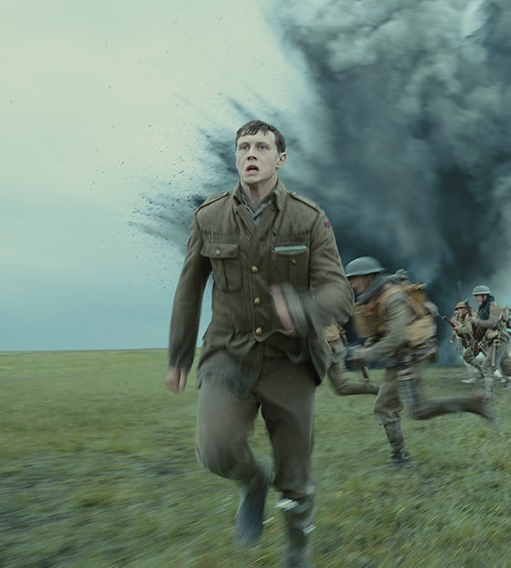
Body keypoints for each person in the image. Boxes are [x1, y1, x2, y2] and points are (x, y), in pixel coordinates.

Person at [164, 120, 353, 568]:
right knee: (215, 448)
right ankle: (252, 482)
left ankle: (297, 555)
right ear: (236, 158)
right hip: (228, 355)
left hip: (291, 359)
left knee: (297, 479)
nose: (251, 153)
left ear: (279, 159)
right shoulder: (208, 217)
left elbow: (340, 294)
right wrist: (179, 357)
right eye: (244, 146)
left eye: (262, 146)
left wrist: (302, 309)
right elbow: (188, 292)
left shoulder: (308, 218)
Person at [343, 257, 493, 469]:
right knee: (387, 407)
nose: (351, 284)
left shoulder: (391, 298)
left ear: (368, 277)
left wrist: (365, 355)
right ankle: (400, 458)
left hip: (410, 356)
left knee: (417, 409)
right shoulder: (377, 296)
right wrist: (366, 347)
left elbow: (396, 337)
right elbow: (382, 330)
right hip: (401, 356)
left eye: (354, 279)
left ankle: (471, 404)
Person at [324, 324, 379, 396]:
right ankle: (378, 389)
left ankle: (381, 390)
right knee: (342, 387)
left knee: (341, 386)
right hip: (335, 343)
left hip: (323, 344)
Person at [446, 300, 484, 378]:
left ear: (464, 309)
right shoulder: (461, 319)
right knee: (467, 356)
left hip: (482, 339)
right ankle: (482, 371)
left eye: (458, 310)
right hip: (475, 341)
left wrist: (459, 329)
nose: (457, 312)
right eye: (456, 310)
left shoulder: (469, 317)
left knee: (468, 356)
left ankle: (485, 371)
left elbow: (469, 330)